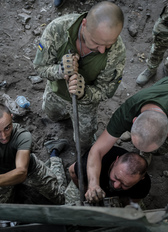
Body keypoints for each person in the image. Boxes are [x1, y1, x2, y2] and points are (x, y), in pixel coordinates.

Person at [84, 76, 168, 203]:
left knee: (161, 150)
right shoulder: (128, 110)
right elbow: (97, 150)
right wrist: (93, 183)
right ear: (134, 120)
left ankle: (152, 151)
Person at [33, 1, 126, 151]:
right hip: (56, 92)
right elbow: (39, 67)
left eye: (108, 44)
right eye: (96, 43)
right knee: (52, 115)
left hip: (85, 105)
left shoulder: (117, 52)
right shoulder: (58, 29)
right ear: (84, 24)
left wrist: (84, 93)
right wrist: (60, 70)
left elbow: (106, 91)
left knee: (83, 142)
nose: (102, 50)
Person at [68, 146, 150, 207]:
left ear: (141, 179)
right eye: (116, 177)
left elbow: (131, 202)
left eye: (125, 184)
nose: (116, 186)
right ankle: (55, 157)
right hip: (90, 182)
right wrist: (88, 190)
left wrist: (124, 210)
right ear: (116, 161)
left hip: (120, 195)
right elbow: (72, 171)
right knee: (71, 207)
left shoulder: (143, 185)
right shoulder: (87, 166)